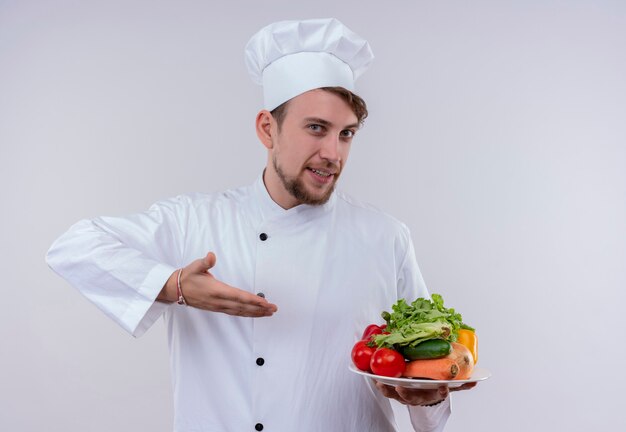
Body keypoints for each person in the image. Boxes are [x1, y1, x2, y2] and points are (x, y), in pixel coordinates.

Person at [47, 18, 471, 432]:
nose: (333, 153)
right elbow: (73, 246)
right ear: (268, 128)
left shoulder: (386, 237)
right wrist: (171, 284)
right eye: (316, 129)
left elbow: (425, 375)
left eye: (346, 134)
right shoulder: (192, 220)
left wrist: (429, 396)